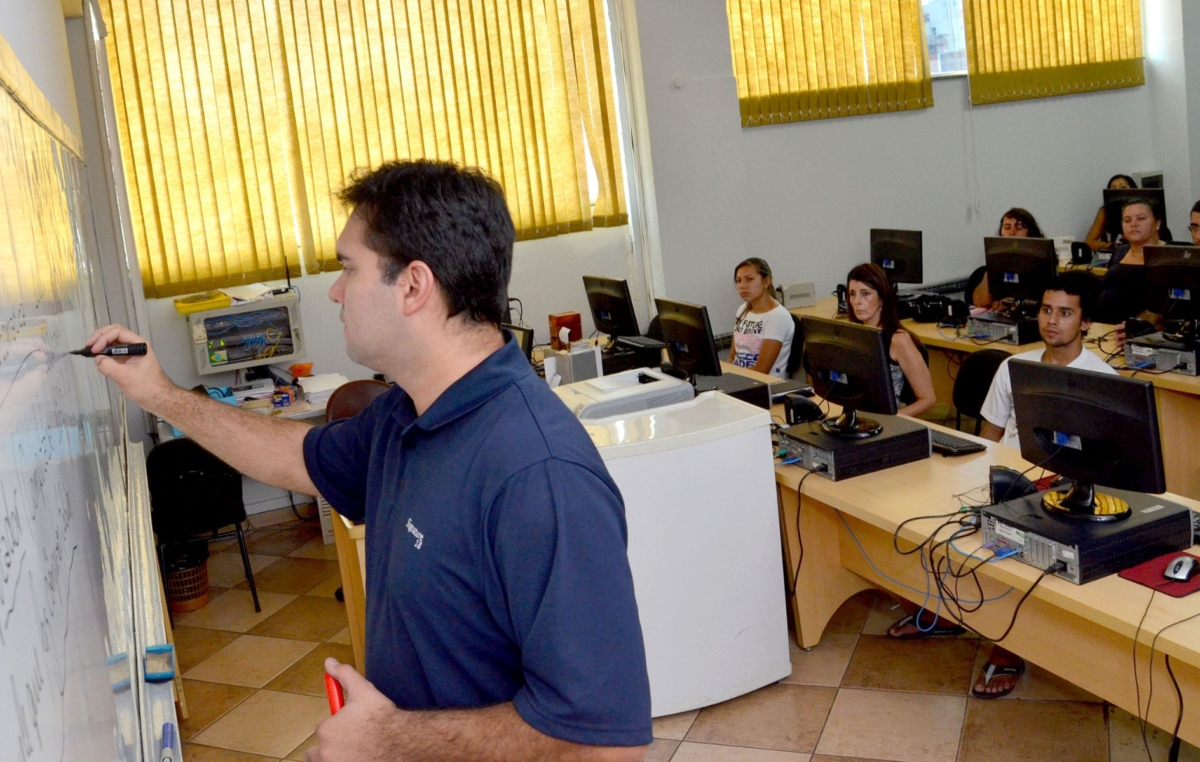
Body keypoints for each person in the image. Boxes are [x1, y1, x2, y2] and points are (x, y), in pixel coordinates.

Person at [87, 160, 652, 762]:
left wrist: (391, 740)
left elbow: (603, 745)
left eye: (347, 268)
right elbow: (298, 457)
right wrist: (162, 395)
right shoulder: (405, 412)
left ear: (413, 285)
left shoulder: (538, 474)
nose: (333, 290)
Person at [972, 271, 1117, 697]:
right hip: (1014, 480)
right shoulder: (1012, 368)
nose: (1052, 321)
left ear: (1085, 323)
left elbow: (1113, 465)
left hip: (1072, 490)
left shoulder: (1104, 379)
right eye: (1047, 310)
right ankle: (977, 624)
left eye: (1066, 313)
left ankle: (1008, 647)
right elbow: (989, 438)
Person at [844, 263, 936, 417]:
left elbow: (928, 399)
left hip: (885, 422)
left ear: (882, 299)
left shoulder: (899, 340)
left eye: (865, 293)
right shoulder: (854, 334)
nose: (857, 301)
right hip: (857, 416)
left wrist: (893, 419)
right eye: (852, 293)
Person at [1095, 197, 1164, 324]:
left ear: (1158, 223)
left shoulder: (1170, 254)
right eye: (1127, 220)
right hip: (1105, 327)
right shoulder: (1120, 252)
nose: (1133, 224)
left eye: (1141, 218)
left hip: (1144, 331)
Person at [729, 257, 794, 378]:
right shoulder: (742, 309)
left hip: (764, 386)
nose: (742, 286)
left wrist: (730, 376)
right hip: (739, 380)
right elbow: (732, 357)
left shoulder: (777, 316)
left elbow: (761, 370)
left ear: (766, 281)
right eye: (738, 281)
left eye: (749, 279)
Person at [971, 208, 1045, 309]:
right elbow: (980, 303)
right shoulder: (998, 262)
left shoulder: (1040, 262)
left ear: (1030, 233)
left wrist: (1009, 304)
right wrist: (993, 265)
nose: (1012, 233)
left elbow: (1041, 301)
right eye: (1007, 227)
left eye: (1018, 228)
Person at [1084, 174, 1137, 252]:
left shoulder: (1142, 211)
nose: (1118, 192)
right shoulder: (1104, 212)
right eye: (1113, 189)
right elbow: (1089, 242)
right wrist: (1114, 245)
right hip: (1114, 255)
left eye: (1123, 188)